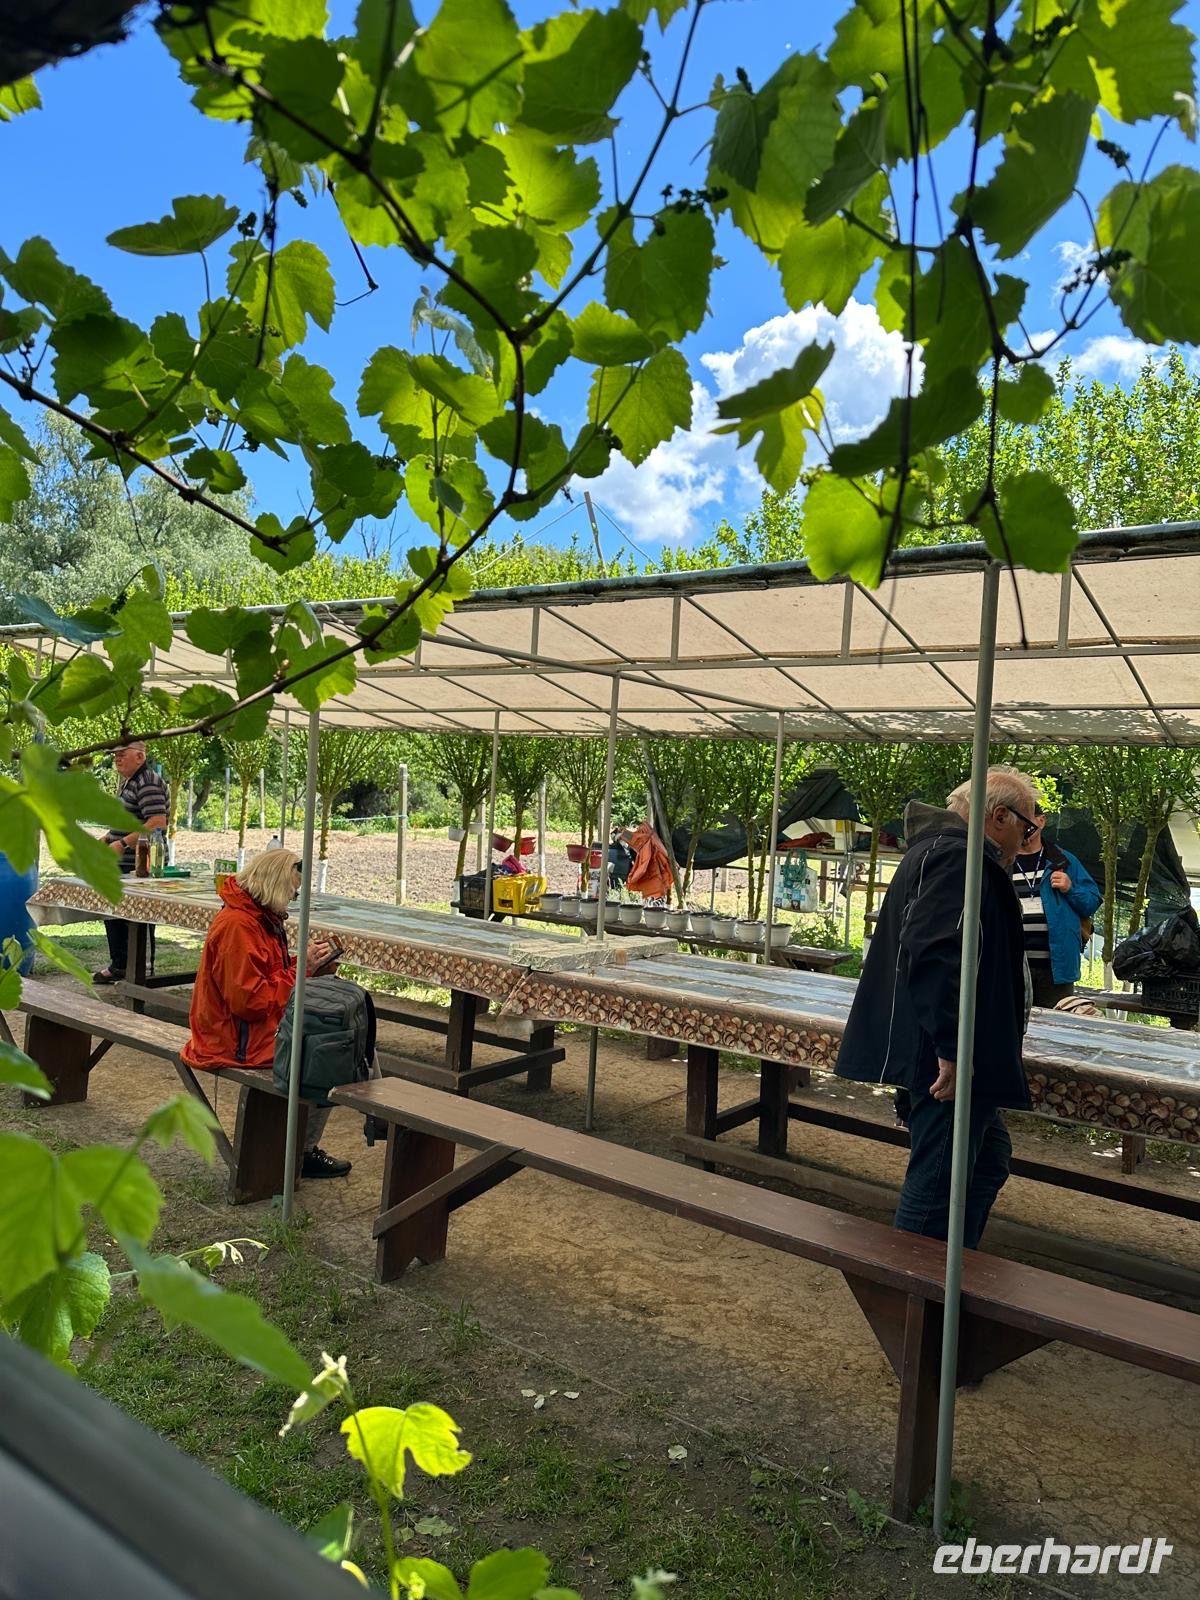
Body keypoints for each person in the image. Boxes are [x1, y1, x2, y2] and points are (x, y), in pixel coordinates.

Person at [836, 767, 1038, 1249]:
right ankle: (916, 1302)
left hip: (947, 1048)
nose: (1028, 842)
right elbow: (933, 949)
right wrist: (952, 1046)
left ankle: (952, 1269)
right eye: (1027, 828)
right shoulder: (957, 857)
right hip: (946, 1057)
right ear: (999, 817)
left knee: (987, 1159)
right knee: (938, 1183)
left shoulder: (942, 851)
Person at [181, 848, 353, 1180]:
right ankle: (305, 1151)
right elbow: (250, 1001)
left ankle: (375, 1114)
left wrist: (307, 965)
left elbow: (266, 978)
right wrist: (303, 968)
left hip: (245, 1030)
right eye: (291, 892)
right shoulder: (239, 926)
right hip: (232, 1040)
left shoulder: (255, 918)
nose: (293, 899)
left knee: (343, 1040)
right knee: (331, 1057)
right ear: (275, 886)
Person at [93, 742, 169, 986]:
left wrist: (122, 844)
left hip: (141, 864)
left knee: (135, 916)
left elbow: (157, 822)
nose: (116, 759)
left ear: (139, 756)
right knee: (114, 911)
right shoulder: (131, 782)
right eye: (114, 755)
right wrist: (108, 838)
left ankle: (138, 970)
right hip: (123, 862)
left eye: (121, 754)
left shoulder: (148, 781)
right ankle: (120, 965)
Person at [1012, 810, 1101, 1009]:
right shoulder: (1002, 860)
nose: (1023, 826)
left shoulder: (1064, 861)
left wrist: (1071, 888)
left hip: (1056, 970)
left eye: (1027, 820)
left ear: (1041, 821)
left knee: (1055, 1027)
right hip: (1010, 968)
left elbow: (1092, 902)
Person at [626, 820, 672, 908]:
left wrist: (621, 833)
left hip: (653, 871)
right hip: (655, 871)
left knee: (655, 892)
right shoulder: (650, 838)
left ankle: (655, 907)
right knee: (656, 892)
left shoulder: (646, 838)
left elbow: (634, 839)